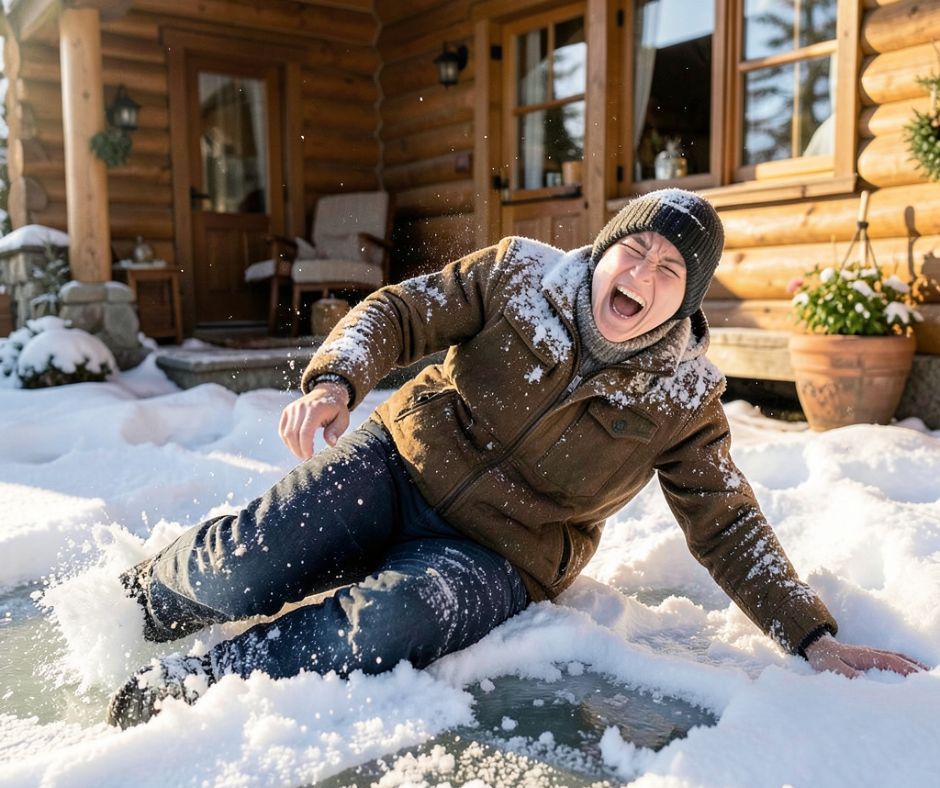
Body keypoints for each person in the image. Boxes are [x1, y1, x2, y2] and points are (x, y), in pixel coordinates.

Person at [108, 189, 927, 729]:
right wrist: (336, 380)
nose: (643, 273)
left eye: (670, 269)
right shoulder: (516, 275)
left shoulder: (684, 400)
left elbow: (728, 525)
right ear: (606, 248)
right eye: (635, 250)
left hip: (500, 554)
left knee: (389, 622)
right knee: (250, 556)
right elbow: (401, 311)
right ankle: (133, 602)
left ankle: (206, 687)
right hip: (398, 463)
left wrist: (810, 635)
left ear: (687, 299)